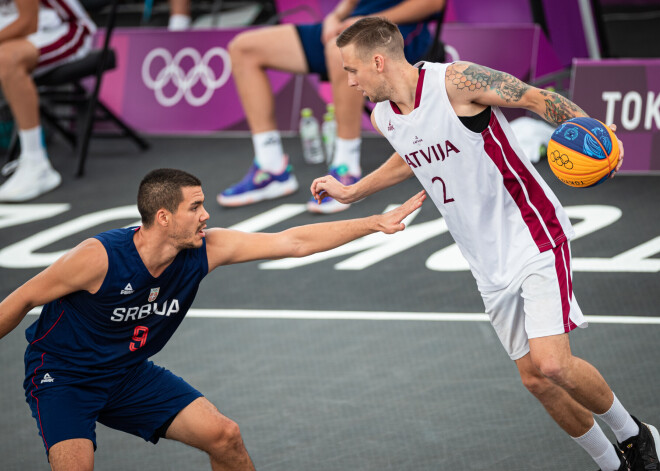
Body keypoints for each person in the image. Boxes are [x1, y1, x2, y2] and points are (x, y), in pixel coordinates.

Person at [310, 17, 658, 471]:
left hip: (533, 233)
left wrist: (595, 135)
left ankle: (637, 435)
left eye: (352, 69)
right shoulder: (382, 115)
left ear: (378, 61)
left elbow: (535, 97)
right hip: (484, 258)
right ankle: (610, 464)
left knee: (552, 363)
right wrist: (355, 192)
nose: (348, 79)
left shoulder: (455, 82)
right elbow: (409, 151)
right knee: (535, 379)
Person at [0, 167, 425, 470]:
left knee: (224, 436)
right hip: (64, 376)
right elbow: (18, 301)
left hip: (127, 374)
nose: (206, 215)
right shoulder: (98, 258)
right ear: (163, 217)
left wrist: (373, 222)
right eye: (195, 207)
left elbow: (293, 241)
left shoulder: (207, 249)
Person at [217, 0, 445, 214]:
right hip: (352, 26)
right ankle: (271, 168)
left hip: (396, 33)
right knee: (243, 48)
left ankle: (346, 167)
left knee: (342, 51)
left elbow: (432, 3)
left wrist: (366, 22)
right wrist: (336, 16)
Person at [0, 0, 96, 202]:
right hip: (12, 29)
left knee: (5, 60)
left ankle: (37, 164)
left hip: (63, 28)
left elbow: (28, 22)